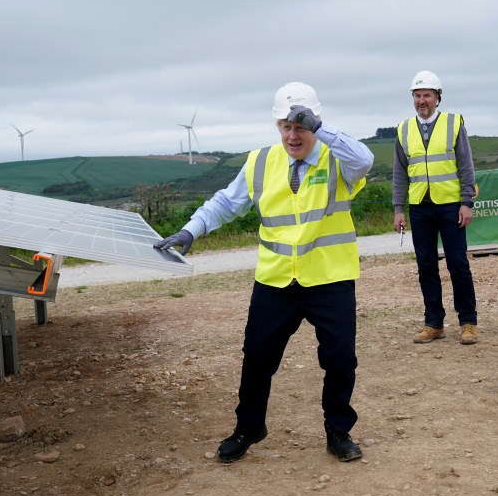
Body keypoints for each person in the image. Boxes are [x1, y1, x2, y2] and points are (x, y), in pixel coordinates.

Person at [154, 82, 374, 463]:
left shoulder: (338, 159)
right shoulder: (260, 162)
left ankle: (338, 431)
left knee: (340, 360)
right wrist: (192, 228)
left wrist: (321, 128)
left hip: (329, 279)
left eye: (300, 126)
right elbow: (226, 202)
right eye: (285, 126)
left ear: (315, 124)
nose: (293, 134)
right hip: (275, 281)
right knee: (256, 357)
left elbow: (365, 159)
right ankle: (249, 427)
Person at [392, 70, 478, 345]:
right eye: (417, 95)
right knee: (425, 265)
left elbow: (465, 165)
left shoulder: (453, 123)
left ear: (437, 98)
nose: (421, 100)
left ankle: (468, 322)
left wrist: (467, 202)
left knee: (458, 264)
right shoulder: (404, 129)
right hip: (420, 206)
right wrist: (398, 209)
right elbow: (399, 173)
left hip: (451, 205)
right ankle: (434, 323)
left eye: (426, 95)